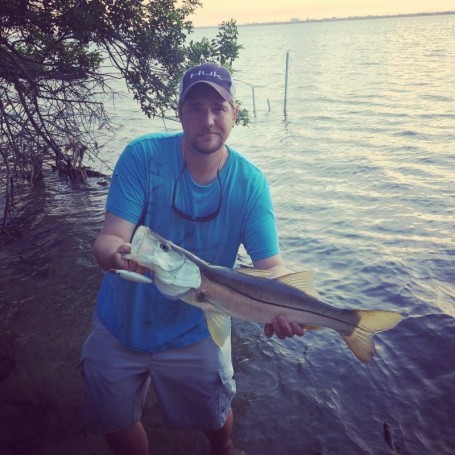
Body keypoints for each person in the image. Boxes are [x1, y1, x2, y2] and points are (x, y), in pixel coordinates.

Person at [81, 62, 305, 455]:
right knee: (114, 420)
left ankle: (223, 449)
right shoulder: (142, 157)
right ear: (180, 112)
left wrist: (291, 307)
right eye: (196, 108)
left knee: (215, 417)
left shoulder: (250, 183)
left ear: (235, 113)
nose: (208, 120)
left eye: (218, 108)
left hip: (199, 327)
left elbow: (271, 267)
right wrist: (119, 255)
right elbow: (109, 239)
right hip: (119, 324)